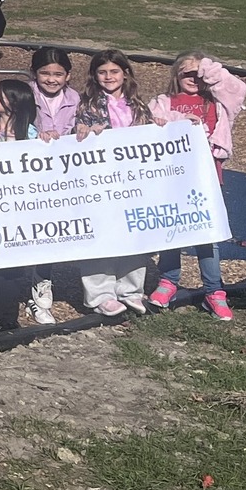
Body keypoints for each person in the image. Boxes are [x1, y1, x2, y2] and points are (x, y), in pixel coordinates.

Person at [148, 53, 246, 321]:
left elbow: (238, 89)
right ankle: (168, 281)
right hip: (173, 178)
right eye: (186, 73)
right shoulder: (162, 102)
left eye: (198, 74)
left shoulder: (219, 101)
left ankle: (214, 291)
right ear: (175, 76)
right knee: (172, 228)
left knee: (207, 235)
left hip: (208, 178)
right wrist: (177, 122)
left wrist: (209, 70)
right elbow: (152, 128)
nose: (192, 78)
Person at [74, 49, 151, 315]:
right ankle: (100, 293)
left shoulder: (138, 104)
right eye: (102, 72)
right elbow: (77, 134)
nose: (109, 77)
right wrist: (84, 132)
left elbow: (151, 134)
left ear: (125, 73)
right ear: (95, 76)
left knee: (135, 232)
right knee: (102, 233)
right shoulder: (88, 104)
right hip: (100, 181)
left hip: (135, 179)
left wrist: (164, 126)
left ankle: (131, 289)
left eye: (114, 71)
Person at [0, 78, 46, 332]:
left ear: (14, 103)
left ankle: (8, 314)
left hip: (20, 208)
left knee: (15, 263)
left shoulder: (32, 134)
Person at [30, 45, 79, 140]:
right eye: (45, 73)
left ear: (67, 75)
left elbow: (73, 126)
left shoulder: (73, 97)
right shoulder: (27, 94)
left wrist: (76, 130)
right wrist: (38, 135)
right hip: (34, 149)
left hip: (65, 150)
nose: (51, 80)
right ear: (34, 73)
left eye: (58, 75)